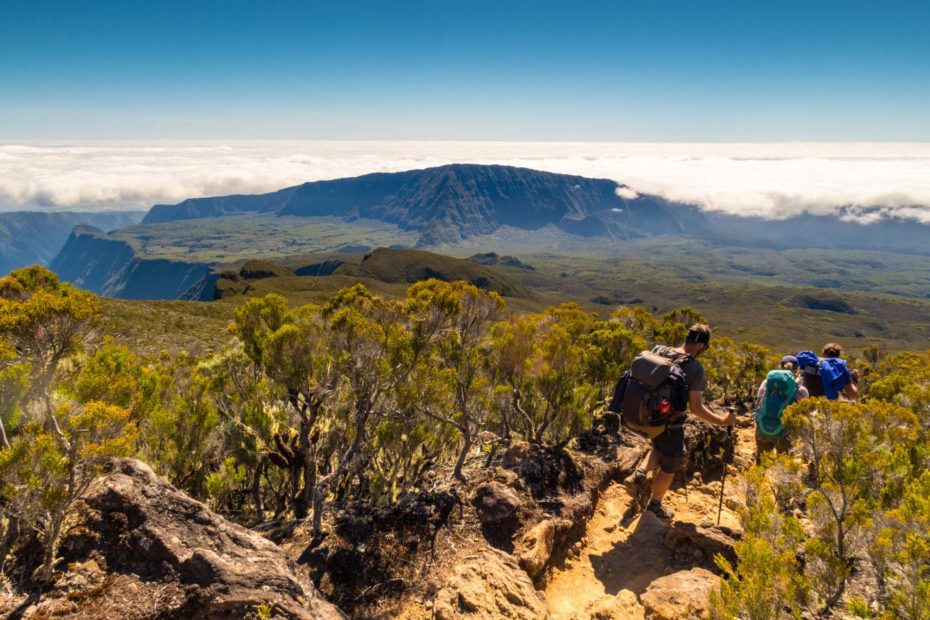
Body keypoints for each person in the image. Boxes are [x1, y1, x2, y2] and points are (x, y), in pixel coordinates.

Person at [630, 324, 736, 520]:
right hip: (669, 422)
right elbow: (696, 408)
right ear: (702, 345)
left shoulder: (660, 350)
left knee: (659, 445)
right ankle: (654, 505)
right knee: (672, 462)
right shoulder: (695, 368)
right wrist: (722, 421)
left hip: (645, 414)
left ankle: (639, 473)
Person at [754, 355, 808, 462]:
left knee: (762, 463)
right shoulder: (801, 390)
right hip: (785, 434)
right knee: (784, 467)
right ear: (796, 369)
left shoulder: (766, 383)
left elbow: (758, 402)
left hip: (763, 428)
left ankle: (759, 477)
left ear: (780, 367)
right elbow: (804, 414)